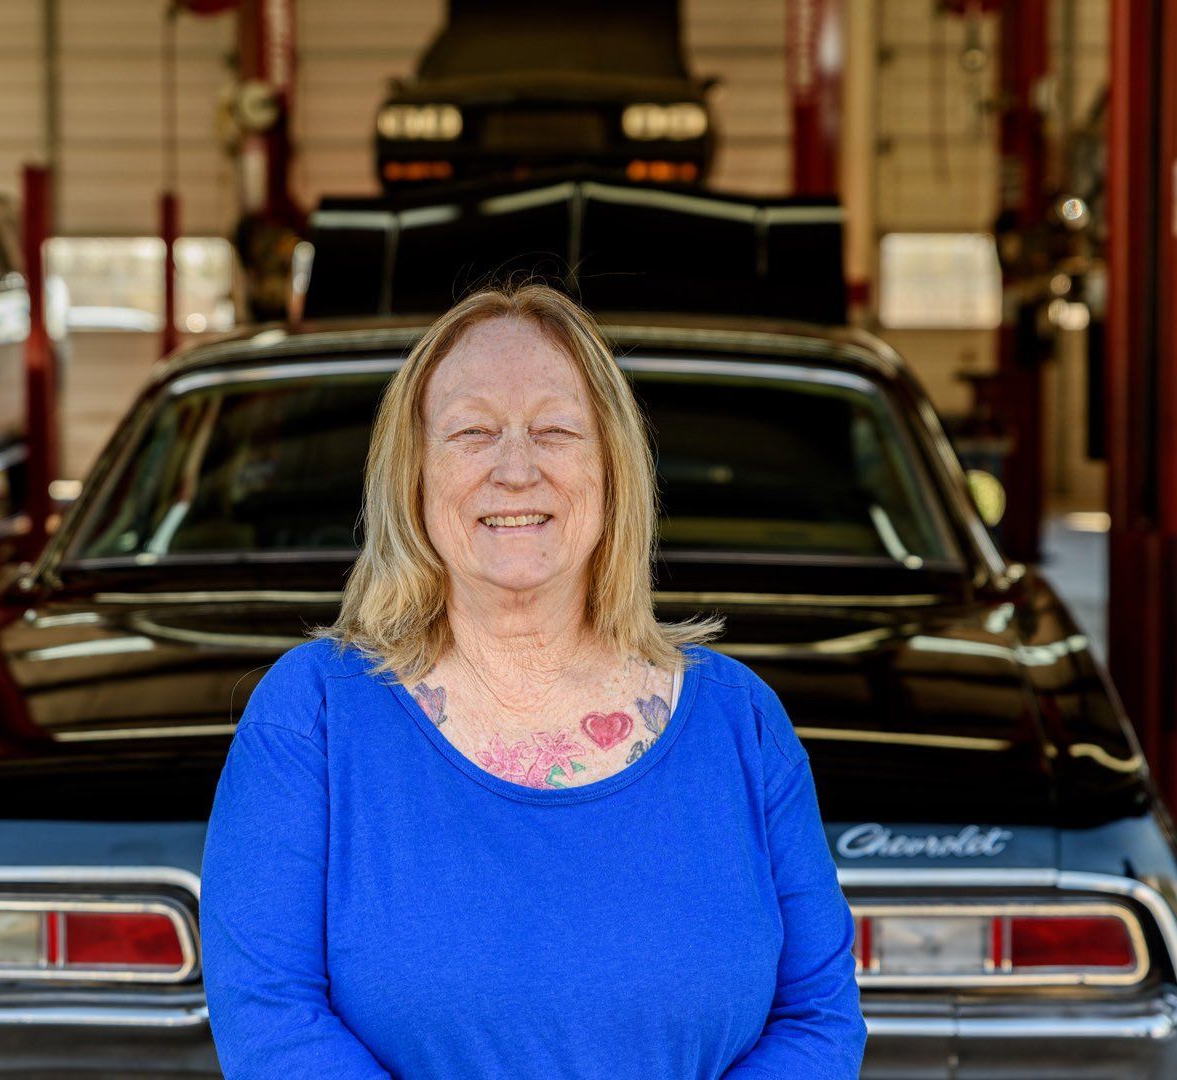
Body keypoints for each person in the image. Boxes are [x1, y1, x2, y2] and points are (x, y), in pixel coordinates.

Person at [199, 282, 867, 1078]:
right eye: (473, 432)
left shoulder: (742, 723)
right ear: (412, 476)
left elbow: (819, 1020)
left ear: (611, 470)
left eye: (554, 430)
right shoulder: (311, 717)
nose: (516, 470)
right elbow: (272, 1018)